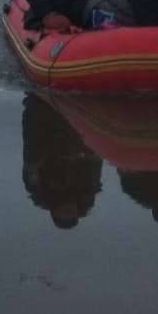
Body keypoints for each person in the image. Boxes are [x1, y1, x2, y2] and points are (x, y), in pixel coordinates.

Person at [21, 94, 103, 229]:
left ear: (54, 211)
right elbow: (95, 163)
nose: (68, 210)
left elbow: (31, 164)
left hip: (47, 144)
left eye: (64, 213)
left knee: (34, 148)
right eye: (71, 213)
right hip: (76, 147)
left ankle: (38, 101)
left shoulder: (39, 191)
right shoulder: (87, 192)